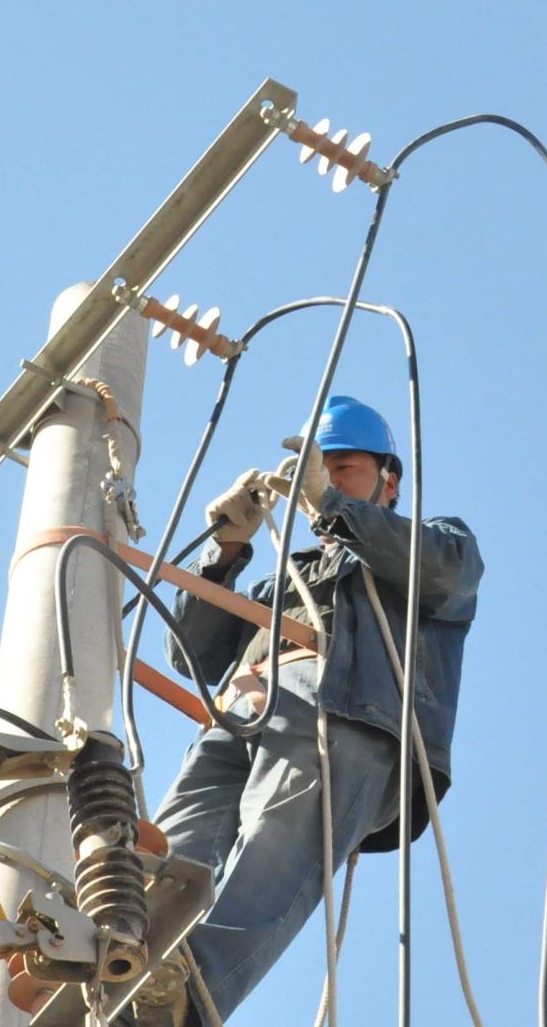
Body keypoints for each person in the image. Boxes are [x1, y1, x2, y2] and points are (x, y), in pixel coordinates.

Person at [142, 394, 483, 1025]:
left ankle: (183, 1006)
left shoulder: (436, 544)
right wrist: (225, 550)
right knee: (169, 854)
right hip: (242, 710)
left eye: (343, 467)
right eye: (318, 468)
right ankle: (127, 966)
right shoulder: (287, 578)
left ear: (390, 479)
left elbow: (444, 574)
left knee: (273, 849)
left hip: (343, 714)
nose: (324, 478)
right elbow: (191, 653)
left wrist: (330, 506)